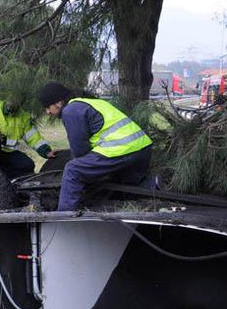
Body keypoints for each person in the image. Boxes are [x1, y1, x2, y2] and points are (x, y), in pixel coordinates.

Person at [37, 81, 153, 211]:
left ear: (58, 102)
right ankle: (154, 185)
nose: (47, 112)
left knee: (72, 170)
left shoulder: (70, 110)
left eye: (47, 107)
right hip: (142, 147)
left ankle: (64, 217)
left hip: (121, 149)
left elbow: (80, 151)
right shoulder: (90, 102)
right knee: (127, 183)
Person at [0, 99, 55, 179]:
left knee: (28, 165)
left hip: (6, 153)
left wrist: (46, 151)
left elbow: (34, 137)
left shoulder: (23, 117)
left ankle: (4, 178)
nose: (14, 101)